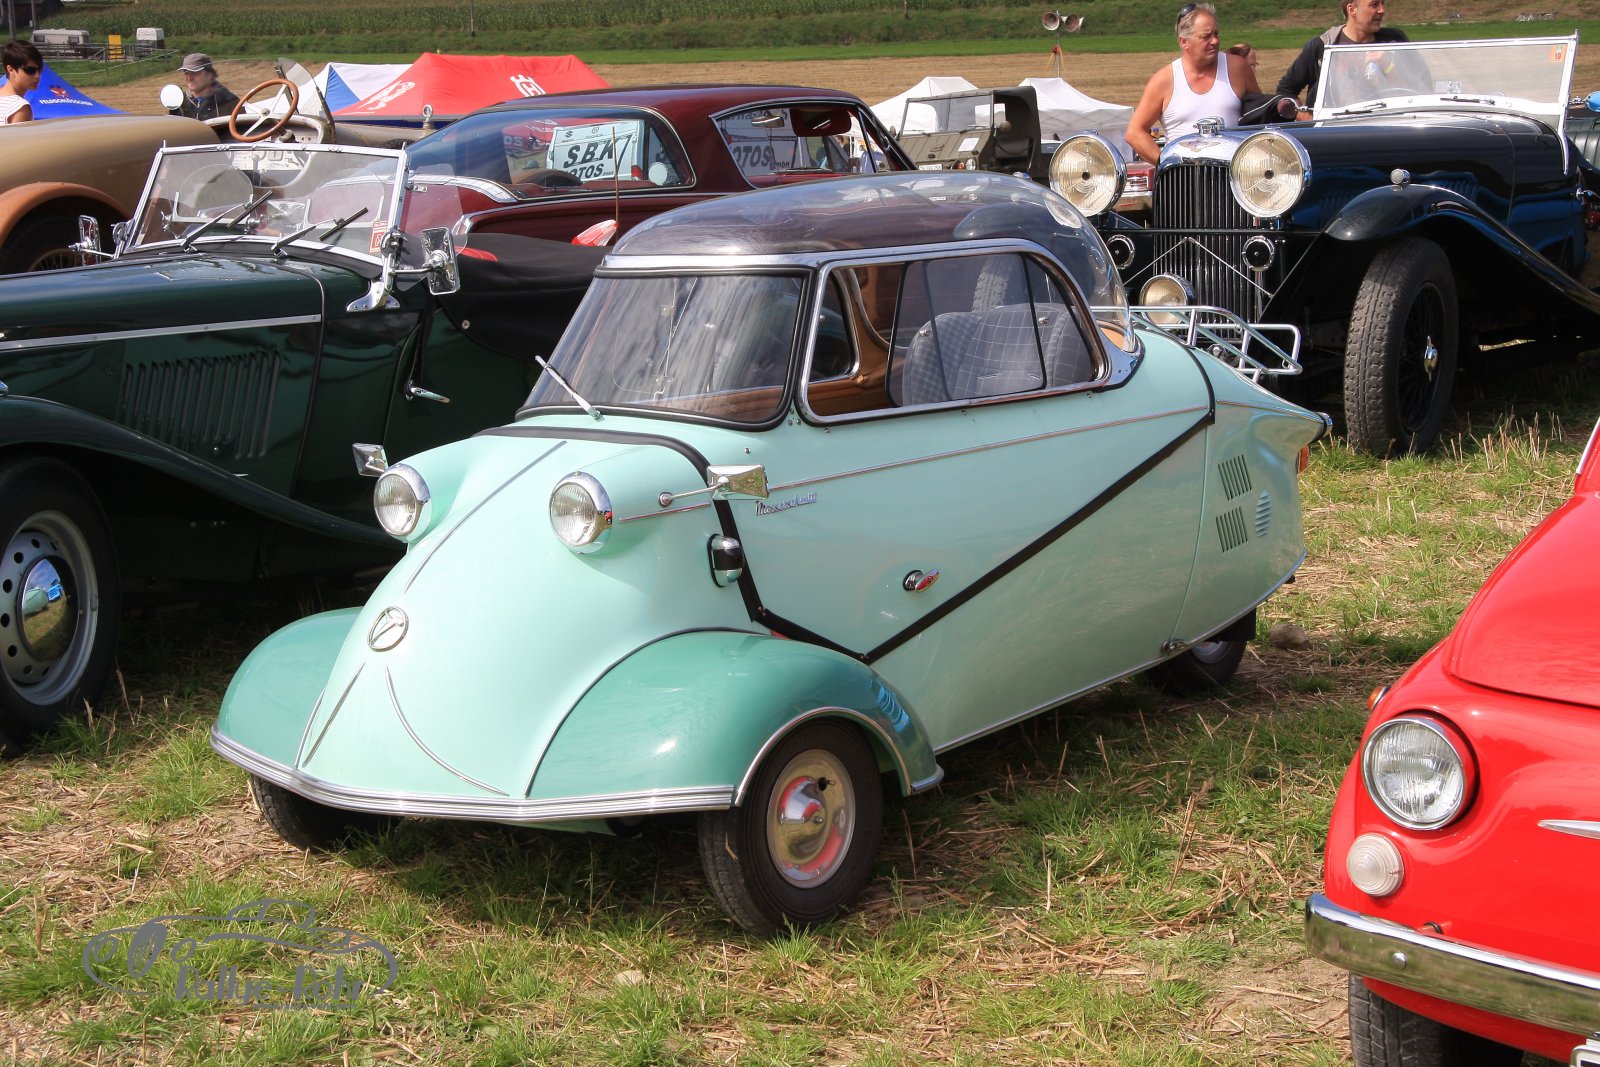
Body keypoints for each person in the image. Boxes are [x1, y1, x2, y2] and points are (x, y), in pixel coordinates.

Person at [1125, 3, 1262, 165]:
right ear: (1184, 42)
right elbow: (1134, 133)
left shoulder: (1237, 68)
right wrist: (1168, 166)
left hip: (1234, 174)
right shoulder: (1164, 80)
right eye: (1206, 36)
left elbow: (1261, 117)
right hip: (1184, 179)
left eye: (1216, 34)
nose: (1215, 41)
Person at [1276, 0, 1409, 109]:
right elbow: (1285, 91)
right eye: (1374, 5)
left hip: (1386, 123)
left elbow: (1417, 88)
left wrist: (1388, 66)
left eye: (1382, 3)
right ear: (1352, 9)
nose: (1382, 10)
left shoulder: (1395, 42)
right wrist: (1308, 118)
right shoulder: (1322, 46)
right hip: (1334, 128)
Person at [174, 53, 240, 122]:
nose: (189, 78)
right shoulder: (180, 103)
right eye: (186, 73)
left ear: (210, 75)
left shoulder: (228, 101)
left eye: (194, 72)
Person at [0, 39, 42, 124]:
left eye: (39, 69)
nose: (37, 75)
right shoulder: (20, 107)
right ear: (11, 70)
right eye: (30, 70)